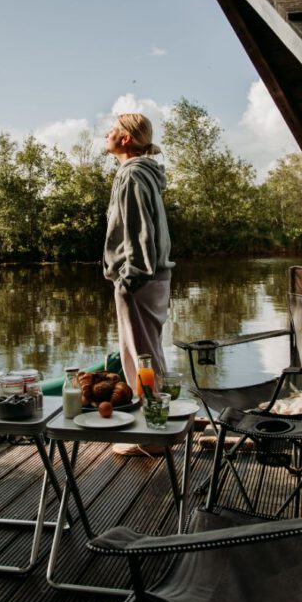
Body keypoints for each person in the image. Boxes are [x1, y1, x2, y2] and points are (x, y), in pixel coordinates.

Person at [103, 113, 174, 398]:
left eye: (112, 130)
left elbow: (138, 231)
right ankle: (155, 421)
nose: (106, 134)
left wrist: (129, 280)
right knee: (147, 356)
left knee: (142, 359)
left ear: (126, 138)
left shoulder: (132, 174)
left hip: (140, 279)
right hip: (152, 278)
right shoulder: (143, 172)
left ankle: (153, 434)